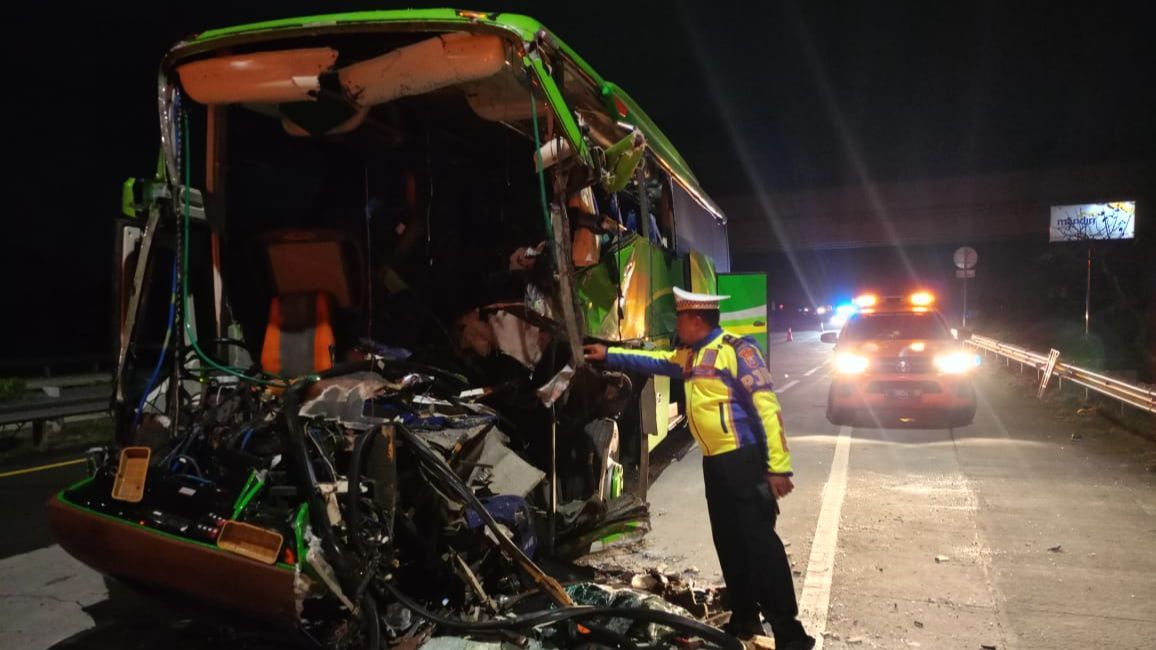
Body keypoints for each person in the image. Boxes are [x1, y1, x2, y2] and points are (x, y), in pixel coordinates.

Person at [583, 287, 815, 650]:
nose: (676, 324)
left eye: (680, 318)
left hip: (744, 460)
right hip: (715, 464)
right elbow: (655, 361)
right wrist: (609, 354)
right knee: (728, 542)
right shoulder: (690, 355)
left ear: (695, 320)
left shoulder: (738, 351)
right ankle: (744, 620)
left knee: (760, 547)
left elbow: (768, 409)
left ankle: (791, 634)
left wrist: (778, 468)